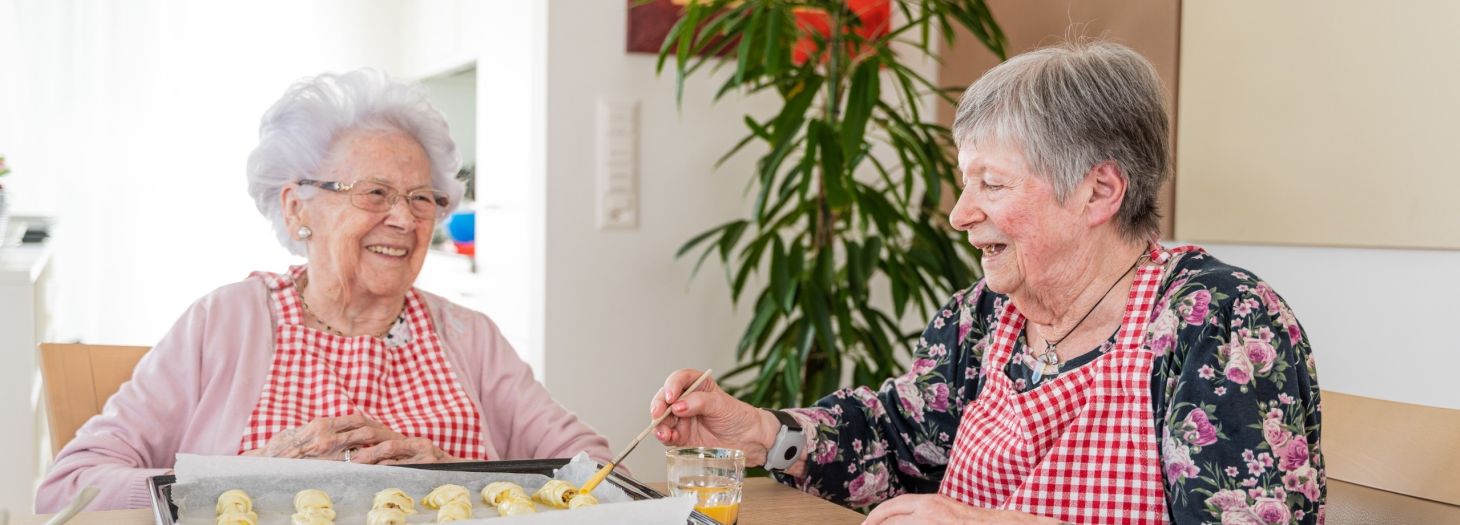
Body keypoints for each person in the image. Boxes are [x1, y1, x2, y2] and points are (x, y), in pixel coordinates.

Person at [651, 42, 1323, 525]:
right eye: (965, 181)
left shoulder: (1220, 321)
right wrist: (765, 431)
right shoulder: (981, 316)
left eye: (991, 184)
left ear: (1100, 191)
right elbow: (896, 438)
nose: (958, 213)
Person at [37, 69, 610, 512]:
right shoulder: (224, 321)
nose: (405, 221)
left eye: (421, 198)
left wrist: (459, 474)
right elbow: (69, 488)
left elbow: (599, 473)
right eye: (375, 193)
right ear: (297, 209)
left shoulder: (471, 337)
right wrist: (228, 480)